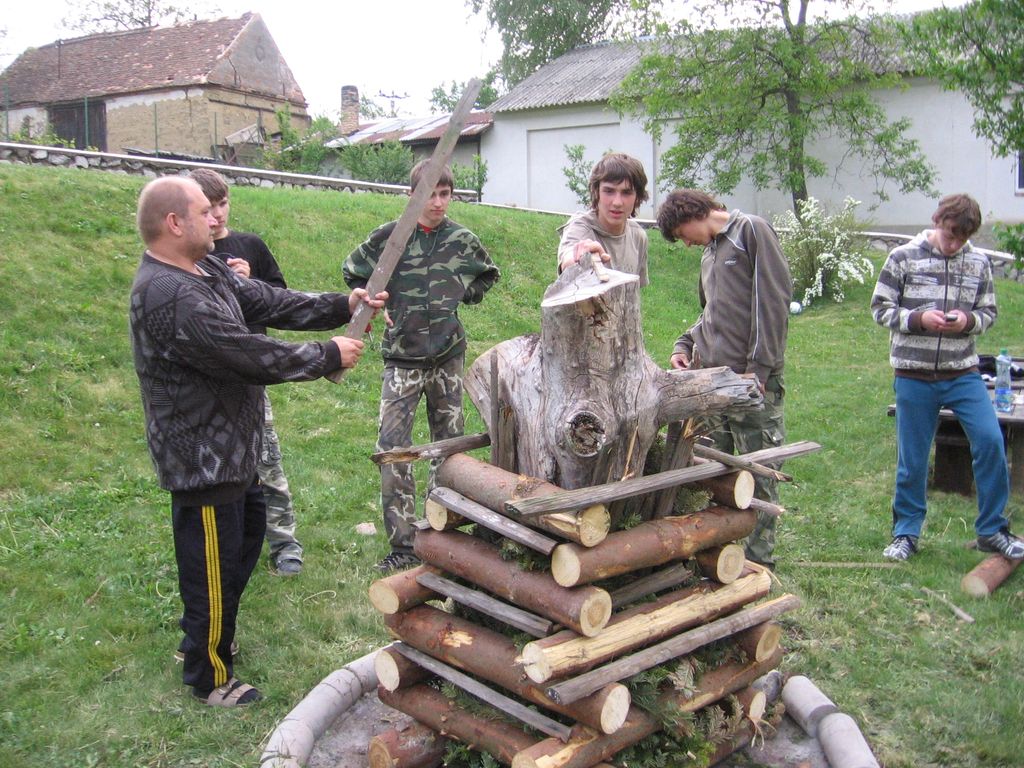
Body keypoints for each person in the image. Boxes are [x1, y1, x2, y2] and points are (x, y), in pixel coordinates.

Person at [130, 176, 386, 706]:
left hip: (234, 452)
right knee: (211, 567)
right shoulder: (167, 293)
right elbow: (243, 353)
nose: (216, 218)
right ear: (174, 223)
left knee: (241, 549)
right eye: (203, 212)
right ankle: (209, 676)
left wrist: (343, 304)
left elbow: (267, 301)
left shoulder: (207, 268)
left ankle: (209, 638)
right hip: (201, 460)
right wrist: (326, 355)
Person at [343, 160, 500, 573]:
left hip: (447, 357)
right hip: (402, 358)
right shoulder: (391, 238)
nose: (437, 202)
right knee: (393, 448)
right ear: (412, 195)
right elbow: (353, 270)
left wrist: (459, 293)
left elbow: (487, 275)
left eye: (444, 194)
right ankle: (404, 544)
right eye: (429, 194)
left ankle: (442, 532)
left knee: (448, 447)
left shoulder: (461, 240)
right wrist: (375, 300)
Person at [871, 193, 1022, 562]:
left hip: (963, 373)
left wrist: (967, 321)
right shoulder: (902, 257)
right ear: (937, 221)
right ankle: (906, 533)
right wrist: (918, 319)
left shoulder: (978, 262)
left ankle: (992, 530)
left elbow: (988, 313)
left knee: (990, 442)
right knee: (913, 460)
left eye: (963, 238)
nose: (955, 244)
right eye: (951, 235)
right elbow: (880, 308)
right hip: (913, 373)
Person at [657, 189, 792, 568]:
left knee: (759, 474)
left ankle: (759, 564)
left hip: (753, 385)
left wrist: (758, 370)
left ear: (691, 215)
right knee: (712, 474)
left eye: (682, 234)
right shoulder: (709, 253)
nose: (686, 243)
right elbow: (711, 314)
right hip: (713, 384)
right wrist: (685, 344)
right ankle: (717, 557)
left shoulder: (751, 231)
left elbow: (773, 303)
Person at [189, 168, 303, 577]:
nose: (217, 215)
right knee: (220, 472)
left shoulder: (249, 245)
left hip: (252, 376)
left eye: (223, 204)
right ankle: (230, 548)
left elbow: (281, 297)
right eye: (208, 207)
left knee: (267, 461)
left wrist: (250, 283)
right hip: (209, 383)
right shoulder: (188, 256)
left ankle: (285, 544)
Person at [556, 152, 650, 284]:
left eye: (626, 193)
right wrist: (579, 256)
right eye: (609, 191)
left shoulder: (638, 236)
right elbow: (568, 260)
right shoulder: (580, 228)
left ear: (637, 197)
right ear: (596, 192)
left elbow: (635, 290)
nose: (617, 202)